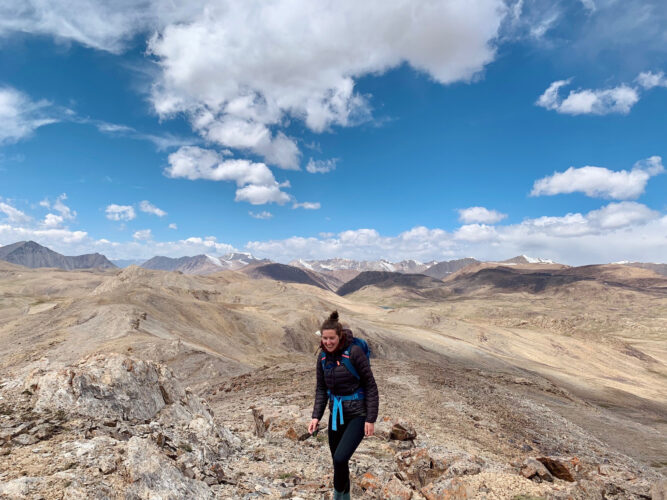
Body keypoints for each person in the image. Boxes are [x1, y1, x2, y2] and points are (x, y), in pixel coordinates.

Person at [308, 311, 379, 500]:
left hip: (358, 414)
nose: (328, 342)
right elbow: (321, 389)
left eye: (332, 338)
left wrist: (370, 419)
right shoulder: (322, 357)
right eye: (325, 338)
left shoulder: (354, 353)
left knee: (340, 458)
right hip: (336, 414)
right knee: (338, 462)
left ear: (339, 337)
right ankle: (342, 497)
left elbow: (371, 385)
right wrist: (316, 416)